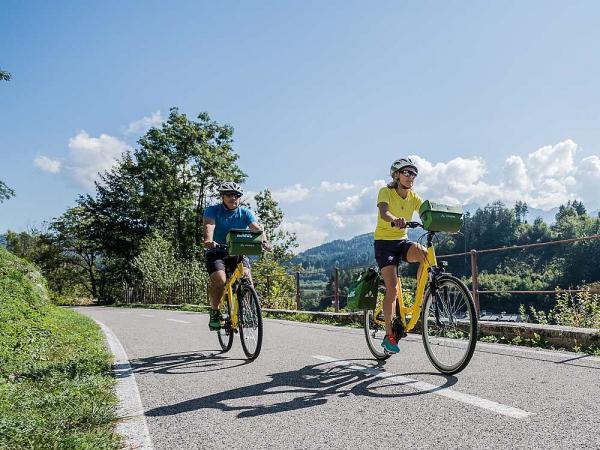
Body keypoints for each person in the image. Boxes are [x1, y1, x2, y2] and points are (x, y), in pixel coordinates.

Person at [374, 158, 427, 354]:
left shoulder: (413, 197)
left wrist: (442, 221)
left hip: (402, 242)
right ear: (396, 175)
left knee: (425, 255)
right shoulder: (385, 192)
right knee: (392, 290)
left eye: (413, 173)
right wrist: (395, 219)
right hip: (384, 244)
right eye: (406, 172)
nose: (411, 177)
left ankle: (420, 297)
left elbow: (426, 211)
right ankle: (389, 336)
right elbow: (384, 213)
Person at [203, 181, 268, 330]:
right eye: (230, 195)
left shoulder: (245, 213)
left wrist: (264, 241)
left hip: (238, 251)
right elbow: (209, 225)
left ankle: (247, 311)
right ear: (222, 196)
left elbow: (256, 228)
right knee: (219, 280)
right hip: (217, 251)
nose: (234, 198)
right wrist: (208, 240)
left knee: (246, 277)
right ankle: (215, 311)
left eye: (237, 195)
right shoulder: (213, 211)